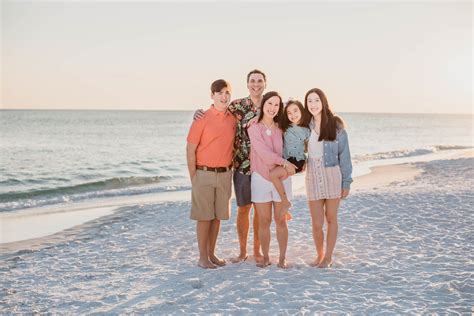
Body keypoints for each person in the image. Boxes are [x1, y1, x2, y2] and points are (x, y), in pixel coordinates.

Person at [194, 69, 267, 263]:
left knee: (260, 210)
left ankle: (257, 251)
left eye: (259, 81)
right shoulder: (238, 105)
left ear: (265, 84)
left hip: (264, 167)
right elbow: (217, 112)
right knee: (244, 209)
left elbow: (288, 124)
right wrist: (198, 112)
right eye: (252, 81)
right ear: (247, 84)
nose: (256, 84)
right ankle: (243, 251)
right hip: (241, 165)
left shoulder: (271, 105)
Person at [186, 79, 236, 269]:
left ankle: (212, 254)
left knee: (217, 217)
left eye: (227, 93)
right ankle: (202, 258)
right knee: (204, 217)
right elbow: (190, 150)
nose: (224, 96)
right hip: (203, 174)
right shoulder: (202, 118)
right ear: (212, 95)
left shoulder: (233, 118)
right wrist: (194, 177)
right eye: (219, 93)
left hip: (225, 174)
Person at [303, 88, 353, 268]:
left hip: (332, 173)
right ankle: (319, 255)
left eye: (316, 100)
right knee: (316, 223)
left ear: (323, 102)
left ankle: (328, 257)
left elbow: (344, 156)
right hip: (312, 175)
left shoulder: (336, 126)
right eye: (309, 101)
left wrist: (346, 182)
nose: (313, 104)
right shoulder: (304, 125)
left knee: (331, 218)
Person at [247, 91, 297, 269]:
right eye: (270, 103)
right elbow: (264, 154)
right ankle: (266, 256)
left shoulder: (283, 128)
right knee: (264, 221)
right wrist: (284, 162)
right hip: (260, 178)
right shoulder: (253, 127)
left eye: (277, 105)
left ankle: (282, 257)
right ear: (263, 105)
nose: (273, 108)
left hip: (281, 178)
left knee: (281, 220)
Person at [270, 100, 311, 213]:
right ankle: (285, 206)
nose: (293, 115)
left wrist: (306, 162)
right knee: (279, 179)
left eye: (295, 111)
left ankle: (285, 203)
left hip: (297, 161)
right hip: (286, 159)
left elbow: (309, 149)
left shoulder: (307, 130)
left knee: (273, 175)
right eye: (289, 113)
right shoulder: (285, 127)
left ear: (301, 111)